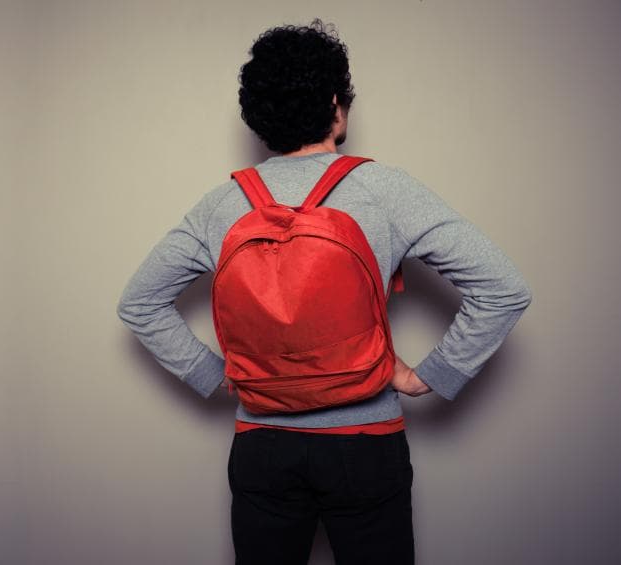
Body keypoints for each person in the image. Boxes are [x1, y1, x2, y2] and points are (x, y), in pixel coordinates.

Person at [116, 18, 533, 565]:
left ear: (259, 117)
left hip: (262, 445)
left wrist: (217, 374)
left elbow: (138, 303)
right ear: (336, 105)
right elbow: (503, 287)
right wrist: (427, 375)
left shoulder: (221, 205)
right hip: (366, 442)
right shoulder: (384, 189)